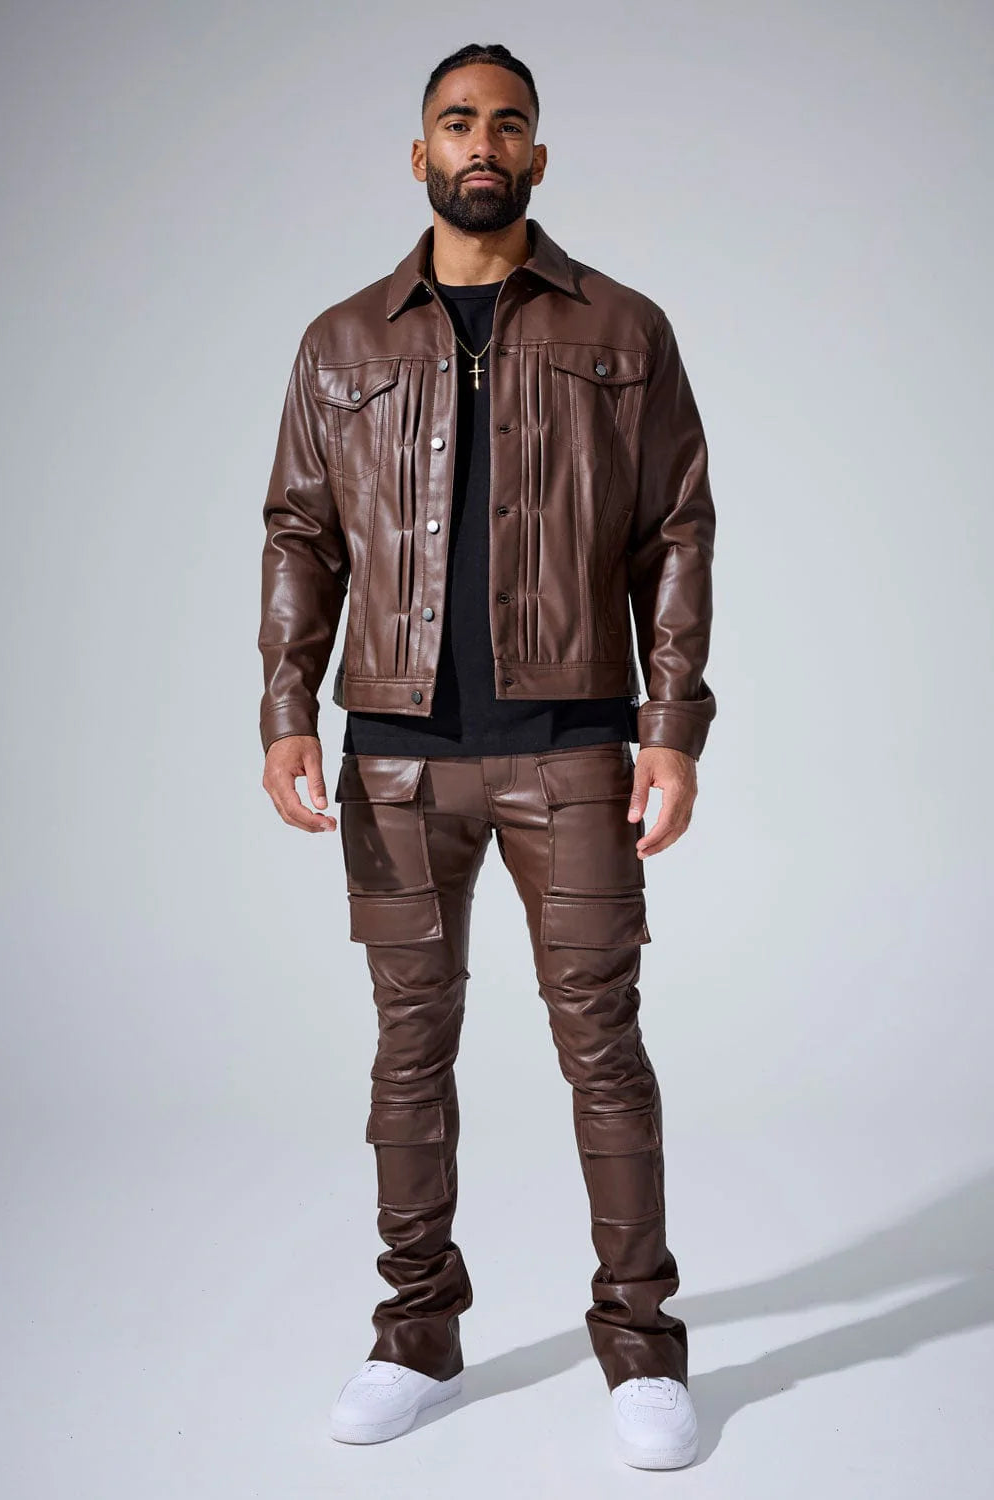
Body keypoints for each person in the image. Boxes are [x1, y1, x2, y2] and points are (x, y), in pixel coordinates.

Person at [257, 41, 716, 1471]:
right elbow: (300, 532)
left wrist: (671, 729)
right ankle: (416, 1336)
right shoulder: (342, 344)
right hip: (392, 761)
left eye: (508, 124)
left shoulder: (622, 329)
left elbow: (676, 532)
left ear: (538, 156)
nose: (483, 142)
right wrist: (286, 706)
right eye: (458, 121)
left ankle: (640, 1346)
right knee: (409, 1050)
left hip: (572, 748)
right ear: (420, 154)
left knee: (603, 1046)